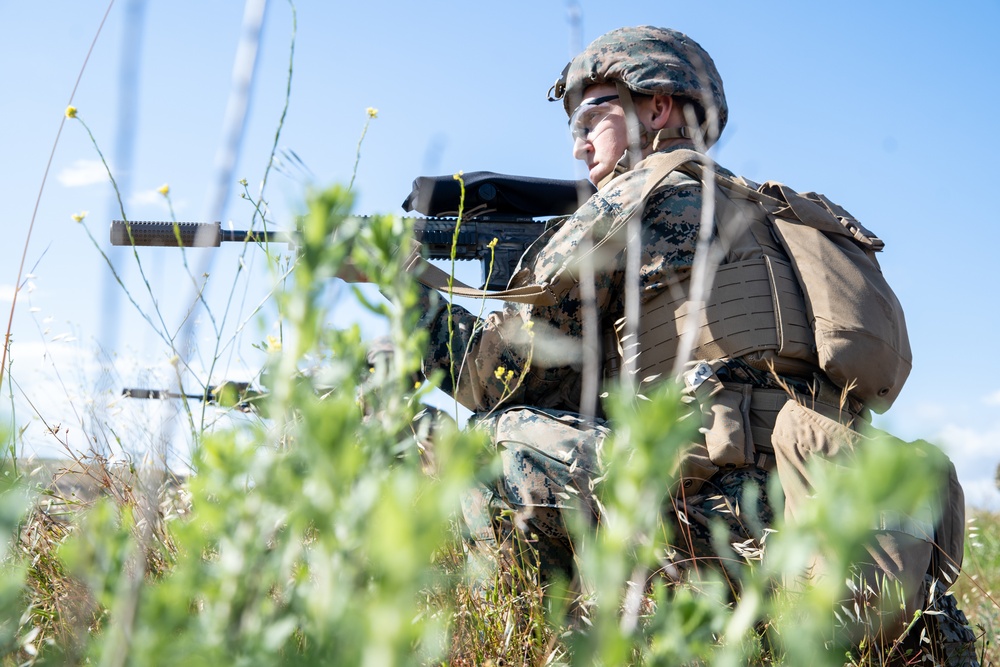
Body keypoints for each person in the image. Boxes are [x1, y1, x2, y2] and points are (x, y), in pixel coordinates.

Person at [407, 25, 976, 662]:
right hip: (820, 502)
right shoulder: (781, 215)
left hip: (720, 511)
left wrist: (409, 290)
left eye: (591, 114)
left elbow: (496, 380)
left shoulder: (631, 202)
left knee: (493, 440)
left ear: (657, 107)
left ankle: (567, 643)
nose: (578, 146)